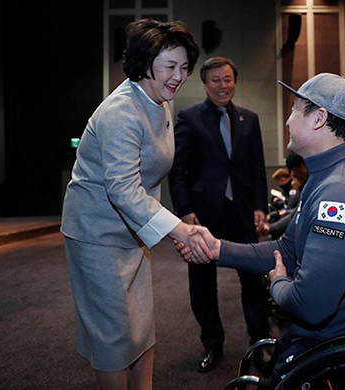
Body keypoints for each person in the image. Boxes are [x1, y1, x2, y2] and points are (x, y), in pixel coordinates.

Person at [177, 73, 345, 380]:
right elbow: (287, 250)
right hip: (327, 341)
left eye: (295, 109)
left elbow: (310, 305)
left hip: (341, 351)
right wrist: (218, 249)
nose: (287, 120)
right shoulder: (326, 176)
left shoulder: (342, 191)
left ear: (319, 118)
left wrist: (278, 282)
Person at [60, 19, 200, 389]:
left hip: (132, 231)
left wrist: (172, 228)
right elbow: (123, 189)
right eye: (170, 66)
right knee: (114, 333)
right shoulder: (121, 111)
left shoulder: (158, 100)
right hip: (96, 235)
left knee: (140, 325)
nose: (179, 76)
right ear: (145, 62)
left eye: (184, 67)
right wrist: (179, 229)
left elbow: (149, 177)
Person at [167, 56, 271, 372]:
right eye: (215, 79)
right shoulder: (188, 118)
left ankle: (260, 345)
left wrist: (260, 207)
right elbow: (178, 170)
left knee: (254, 282)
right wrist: (185, 211)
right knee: (202, 286)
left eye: (227, 79)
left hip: (241, 213)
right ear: (204, 84)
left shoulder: (249, 120)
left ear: (234, 82)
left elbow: (257, 169)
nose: (222, 85)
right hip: (203, 217)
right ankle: (213, 345)